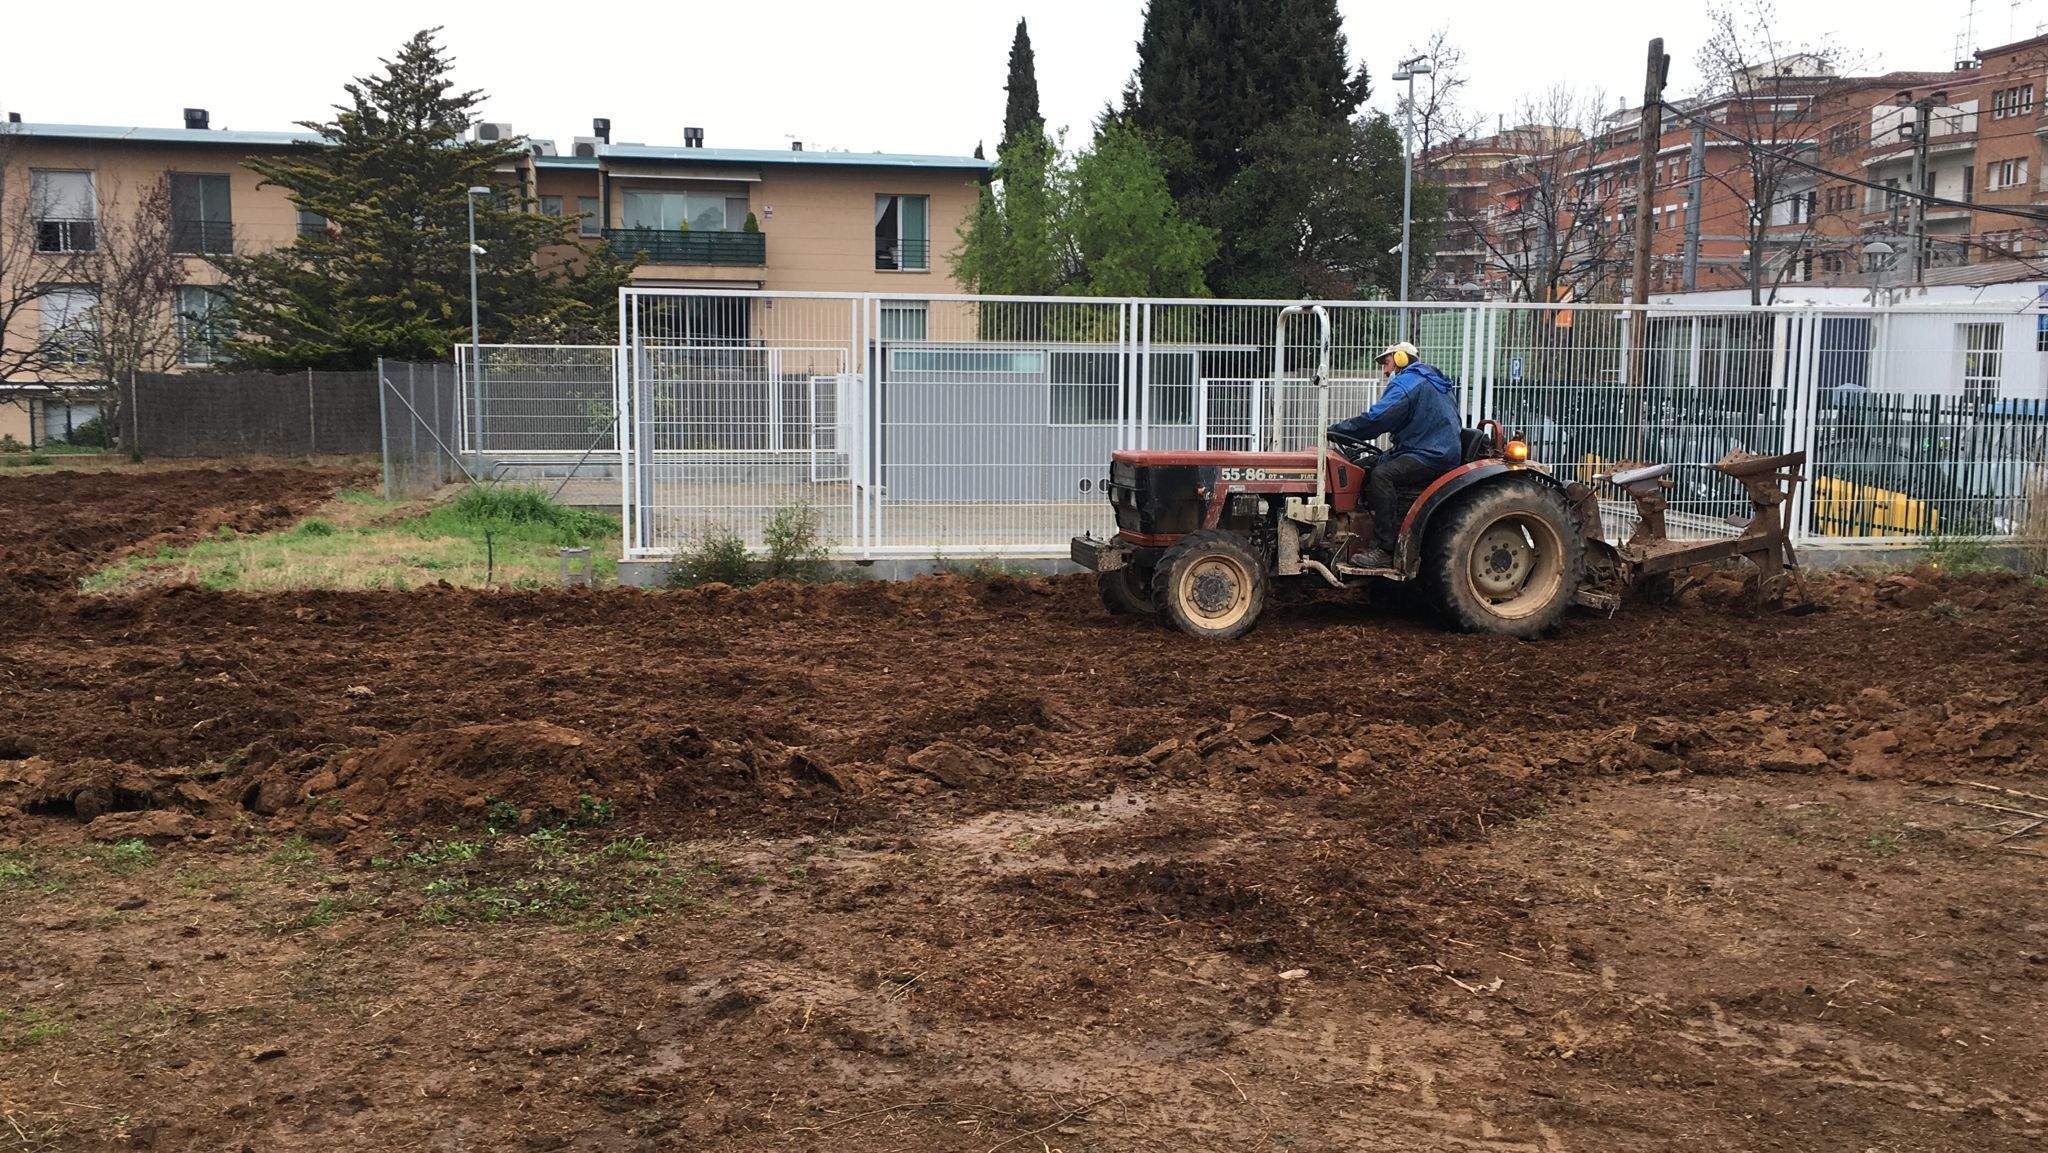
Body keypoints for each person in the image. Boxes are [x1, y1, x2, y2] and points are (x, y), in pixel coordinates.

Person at [1326, 341, 1462, 569]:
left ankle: (1384, 549)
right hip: (1429, 447)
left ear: (1401, 359)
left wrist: (1339, 429)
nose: (1385, 371)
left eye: (1387, 363)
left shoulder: (1408, 383)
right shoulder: (1433, 380)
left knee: (1382, 475)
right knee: (1365, 465)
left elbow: (1377, 419)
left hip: (1430, 453)